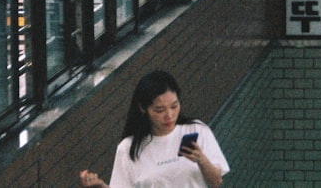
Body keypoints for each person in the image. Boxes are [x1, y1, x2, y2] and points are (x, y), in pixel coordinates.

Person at [78, 70, 229, 188]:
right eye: (159, 110)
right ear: (143, 108)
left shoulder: (196, 130)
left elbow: (216, 182)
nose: (169, 115)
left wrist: (201, 160)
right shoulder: (128, 148)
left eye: (174, 106)